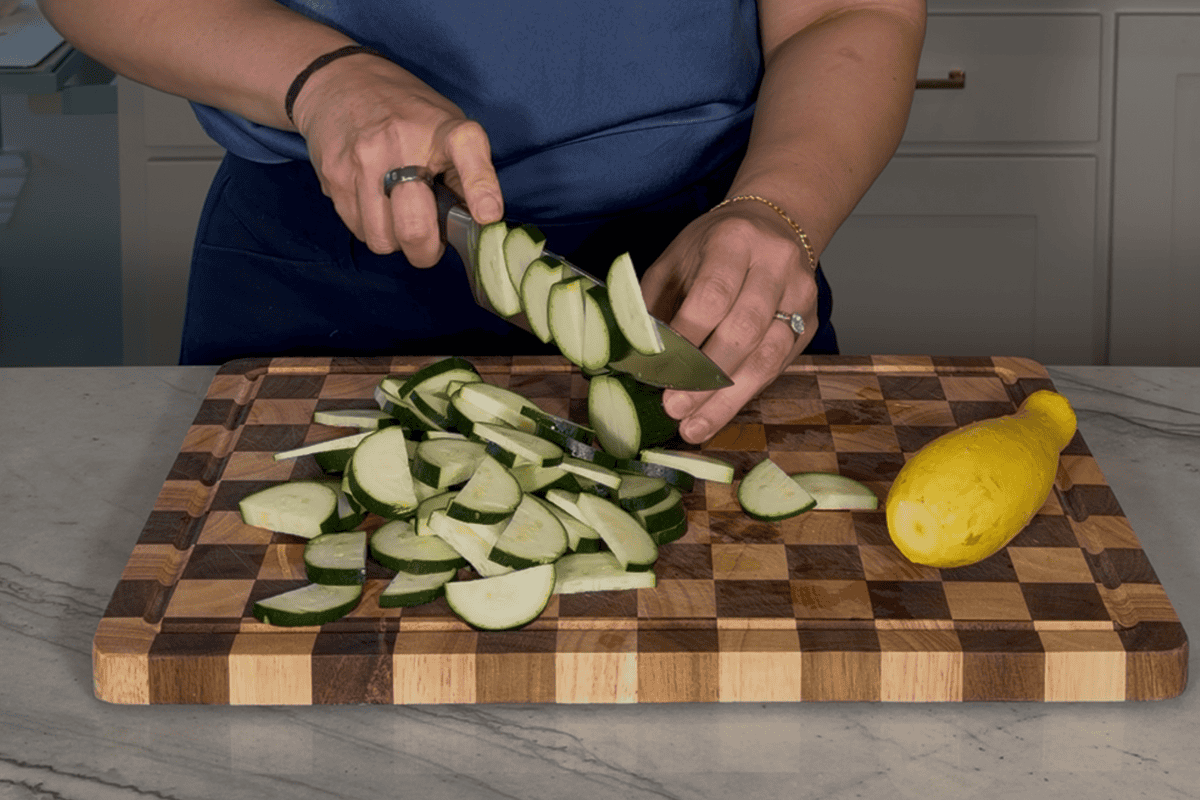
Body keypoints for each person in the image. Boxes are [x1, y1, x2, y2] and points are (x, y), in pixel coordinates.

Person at [41, 0, 926, 444]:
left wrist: (777, 211)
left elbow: (853, 11)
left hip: (706, 265)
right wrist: (326, 79)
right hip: (318, 263)